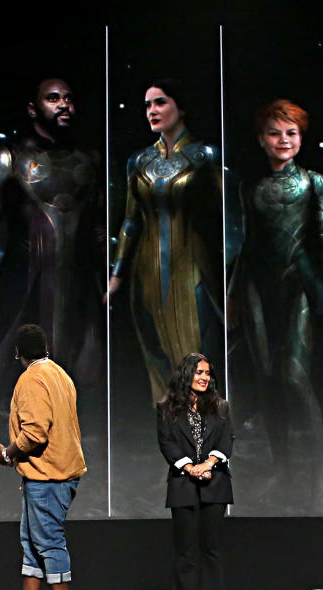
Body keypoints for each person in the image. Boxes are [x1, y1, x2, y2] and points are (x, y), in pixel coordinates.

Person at [106, 80, 224, 402]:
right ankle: (172, 437)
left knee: (198, 354)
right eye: (147, 105)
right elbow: (130, 220)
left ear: (180, 107)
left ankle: (207, 436)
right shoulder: (139, 161)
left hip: (193, 266)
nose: (152, 111)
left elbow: (230, 216)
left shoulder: (206, 156)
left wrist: (232, 273)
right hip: (146, 271)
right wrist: (116, 275)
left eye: (160, 102)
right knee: (156, 353)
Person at [233, 99, 323, 503]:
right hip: (257, 287)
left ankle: (318, 471)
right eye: (275, 132)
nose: (283, 139)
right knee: (268, 377)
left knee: (296, 376)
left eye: (291, 132)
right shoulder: (249, 186)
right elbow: (247, 242)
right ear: (261, 139)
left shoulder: (315, 182)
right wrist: (235, 292)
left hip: (298, 287)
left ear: (301, 138)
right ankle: (283, 469)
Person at [0, 78, 103, 389]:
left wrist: (107, 276)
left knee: (81, 361)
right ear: (33, 108)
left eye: (68, 98)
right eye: (53, 98)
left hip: (78, 279)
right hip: (24, 277)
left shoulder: (89, 158)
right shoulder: (12, 157)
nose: (63, 104)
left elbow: (98, 224)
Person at [0, 324, 86, 590]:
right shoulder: (60, 374)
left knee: (49, 542)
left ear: (17, 352)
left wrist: (7, 453)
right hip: (52, 473)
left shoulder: (31, 378)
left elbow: (35, 432)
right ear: (45, 348)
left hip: (49, 476)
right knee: (32, 543)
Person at [156, 353, 233, 590]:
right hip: (183, 487)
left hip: (215, 485)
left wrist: (208, 464)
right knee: (185, 554)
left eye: (208, 373)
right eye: (199, 372)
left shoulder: (221, 407)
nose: (204, 377)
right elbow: (167, 443)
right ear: (186, 375)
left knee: (211, 553)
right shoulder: (167, 409)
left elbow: (227, 441)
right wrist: (190, 467)